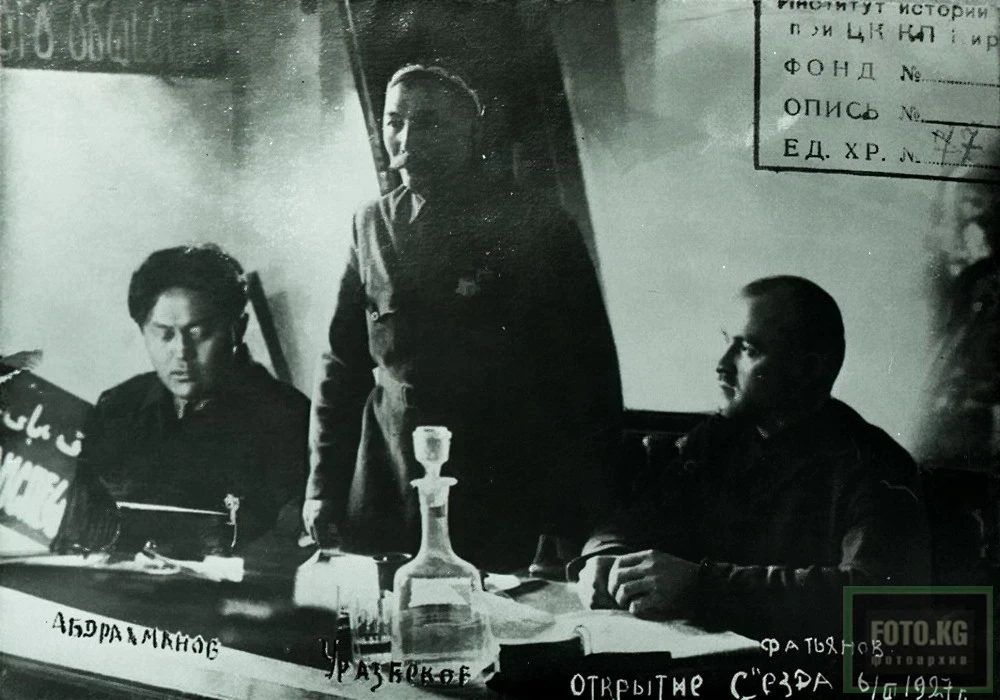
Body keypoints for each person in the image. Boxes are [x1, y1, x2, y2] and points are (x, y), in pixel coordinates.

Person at [304, 63, 623, 572]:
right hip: (388, 481)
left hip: (498, 486)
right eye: (395, 122)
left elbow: (587, 379)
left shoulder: (534, 224)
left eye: (430, 122)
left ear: (472, 133)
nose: (407, 138)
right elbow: (342, 367)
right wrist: (322, 489)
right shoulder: (370, 223)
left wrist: (574, 516)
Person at [573, 276, 930, 640]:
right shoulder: (718, 438)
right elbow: (635, 515)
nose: (722, 364)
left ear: (807, 368)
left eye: (747, 348)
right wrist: (606, 556)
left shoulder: (874, 463)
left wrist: (701, 585)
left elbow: (873, 594)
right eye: (727, 342)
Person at [52, 245, 309, 554]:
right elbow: (77, 534)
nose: (182, 352)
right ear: (143, 331)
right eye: (164, 334)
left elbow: (293, 552)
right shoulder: (118, 407)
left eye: (198, 332)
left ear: (237, 329)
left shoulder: (289, 418)